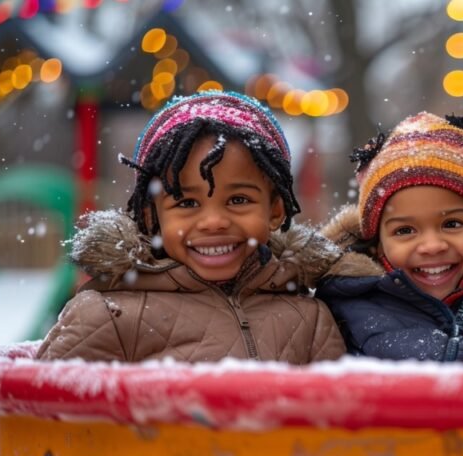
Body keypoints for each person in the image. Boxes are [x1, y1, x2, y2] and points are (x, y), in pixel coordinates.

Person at [37, 91, 345, 363]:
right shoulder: (109, 314)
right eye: (187, 203)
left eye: (238, 199)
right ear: (151, 216)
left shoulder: (310, 319)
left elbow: (342, 421)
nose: (213, 222)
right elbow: (37, 418)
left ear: (275, 211)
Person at [316, 112, 463, 363]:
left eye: (452, 224)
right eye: (405, 230)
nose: (432, 246)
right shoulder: (345, 309)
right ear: (378, 245)